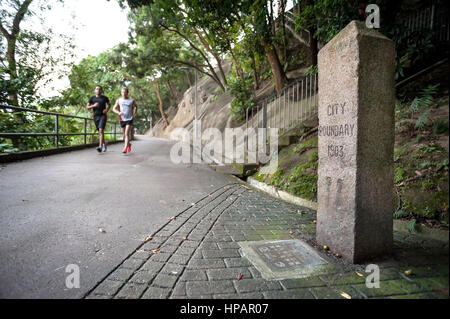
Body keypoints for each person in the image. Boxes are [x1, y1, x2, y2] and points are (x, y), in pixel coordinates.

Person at [86, 85, 111, 152]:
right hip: (95, 117)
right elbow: (87, 107)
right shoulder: (92, 98)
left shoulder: (105, 98)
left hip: (103, 116)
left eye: (100, 89)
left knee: (100, 130)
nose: (98, 90)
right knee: (100, 132)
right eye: (97, 89)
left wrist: (107, 110)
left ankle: (100, 146)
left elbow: (109, 104)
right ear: (94, 90)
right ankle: (104, 144)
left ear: (102, 91)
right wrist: (93, 105)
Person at [113, 87, 138, 153]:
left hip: (129, 118)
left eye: (125, 92)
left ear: (127, 92)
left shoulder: (131, 100)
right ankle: (129, 144)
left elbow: (136, 106)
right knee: (124, 134)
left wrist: (134, 114)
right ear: (121, 93)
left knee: (126, 133)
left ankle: (125, 147)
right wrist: (118, 112)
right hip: (122, 118)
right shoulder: (119, 100)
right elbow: (114, 108)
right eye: (122, 92)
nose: (123, 93)